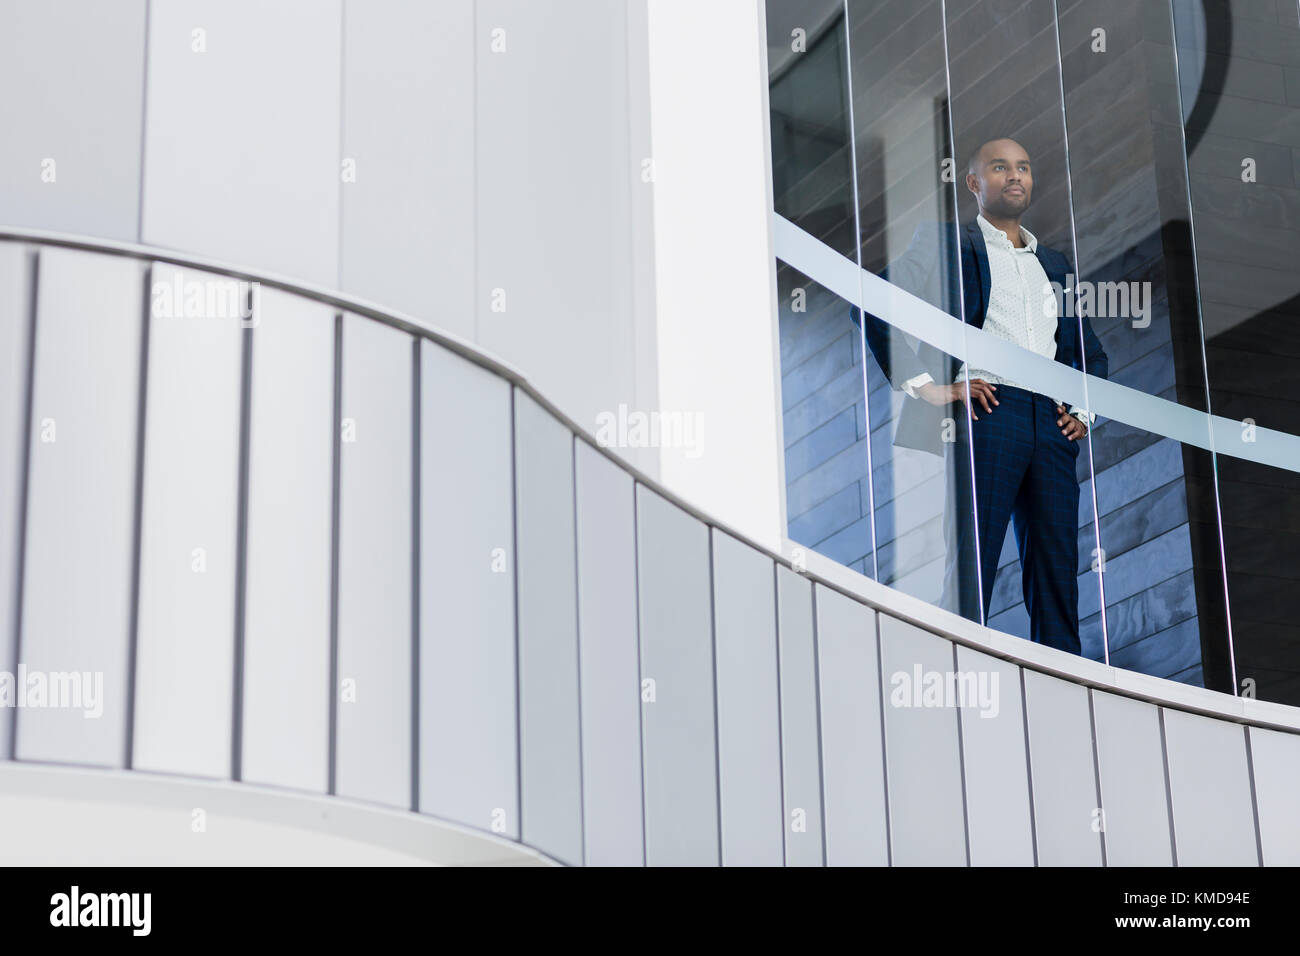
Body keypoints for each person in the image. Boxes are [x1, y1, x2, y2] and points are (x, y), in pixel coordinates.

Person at [851, 138, 1107, 655]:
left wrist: (1083, 410)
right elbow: (872, 300)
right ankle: (958, 671)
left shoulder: (1055, 263)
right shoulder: (947, 243)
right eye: (999, 166)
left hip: (1052, 426)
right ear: (973, 183)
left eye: (1024, 167)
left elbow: (1090, 351)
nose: (1015, 175)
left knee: (1058, 568)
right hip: (988, 411)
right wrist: (926, 386)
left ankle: (1066, 691)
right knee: (974, 557)